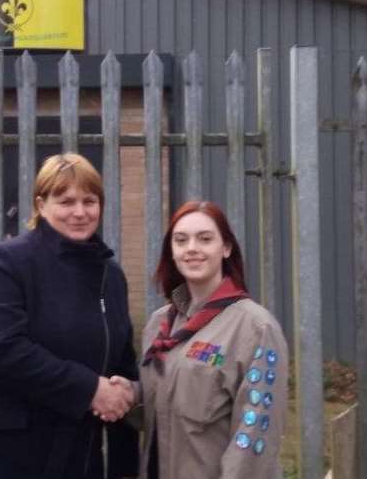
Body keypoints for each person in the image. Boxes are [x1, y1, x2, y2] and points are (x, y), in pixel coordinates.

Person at [0, 153, 139, 479]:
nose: (79, 212)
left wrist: (123, 466)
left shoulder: (110, 276)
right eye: (66, 201)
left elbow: (121, 365)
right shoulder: (5, 264)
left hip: (74, 457)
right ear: (41, 205)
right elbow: (1, 352)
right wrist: (90, 389)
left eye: (90, 201)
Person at [112, 200, 288, 479]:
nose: (192, 248)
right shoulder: (160, 324)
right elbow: (164, 405)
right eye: (181, 240)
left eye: (205, 239)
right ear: (172, 251)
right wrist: (131, 394)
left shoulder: (255, 328)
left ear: (226, 247)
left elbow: (254, 439)